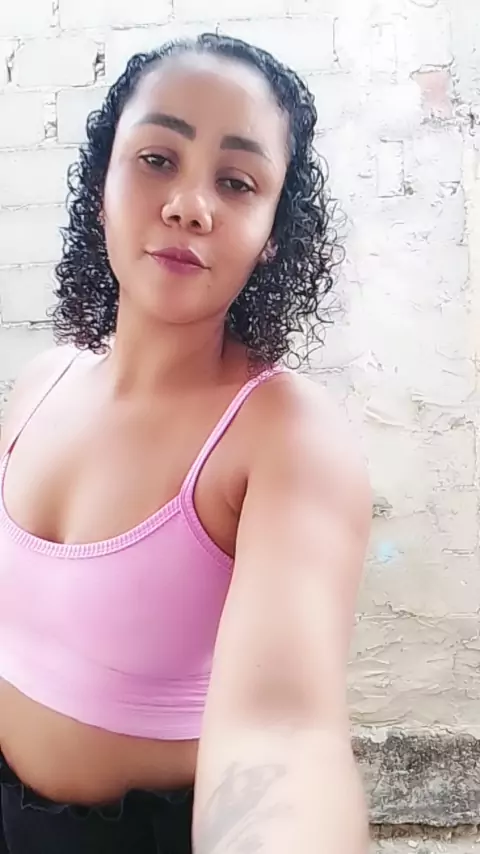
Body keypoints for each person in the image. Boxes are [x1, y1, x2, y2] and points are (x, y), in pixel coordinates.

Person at [0, 32, 371, 854]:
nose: (189, 205)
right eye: (157, 159)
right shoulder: (41, 385)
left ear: (272, 232)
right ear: (102, 185)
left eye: (236, 182)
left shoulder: (284, 433)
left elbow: (285, 728)